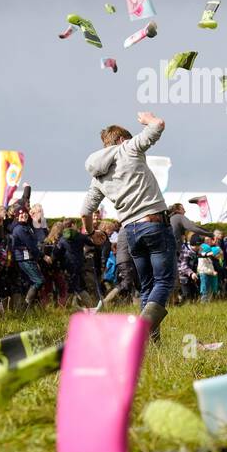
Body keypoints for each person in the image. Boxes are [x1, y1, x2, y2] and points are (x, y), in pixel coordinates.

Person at [79, 112, 173, 342]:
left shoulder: (98, 177)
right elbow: (158, 126)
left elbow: (85, 212)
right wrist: (147, 119)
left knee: (147, 286)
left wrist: (93, 232)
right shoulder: (128, 148)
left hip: (130, 230)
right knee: (163, 281)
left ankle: (152, 344)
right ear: (121, 139)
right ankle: (142, 328)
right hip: (153, 224)